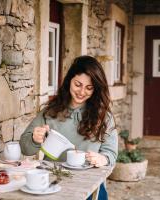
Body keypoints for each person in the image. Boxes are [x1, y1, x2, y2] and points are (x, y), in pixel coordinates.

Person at [19, 55, 118, 200]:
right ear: (69, 81)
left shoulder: (104, 117)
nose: (82, 92)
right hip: (52, 184)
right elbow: (25, 148)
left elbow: (111, 154)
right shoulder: (50, 112)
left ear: (95, 89)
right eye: (78, 84)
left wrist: (103, 158)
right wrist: (35, 139)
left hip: (89, 186)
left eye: (89, 88)